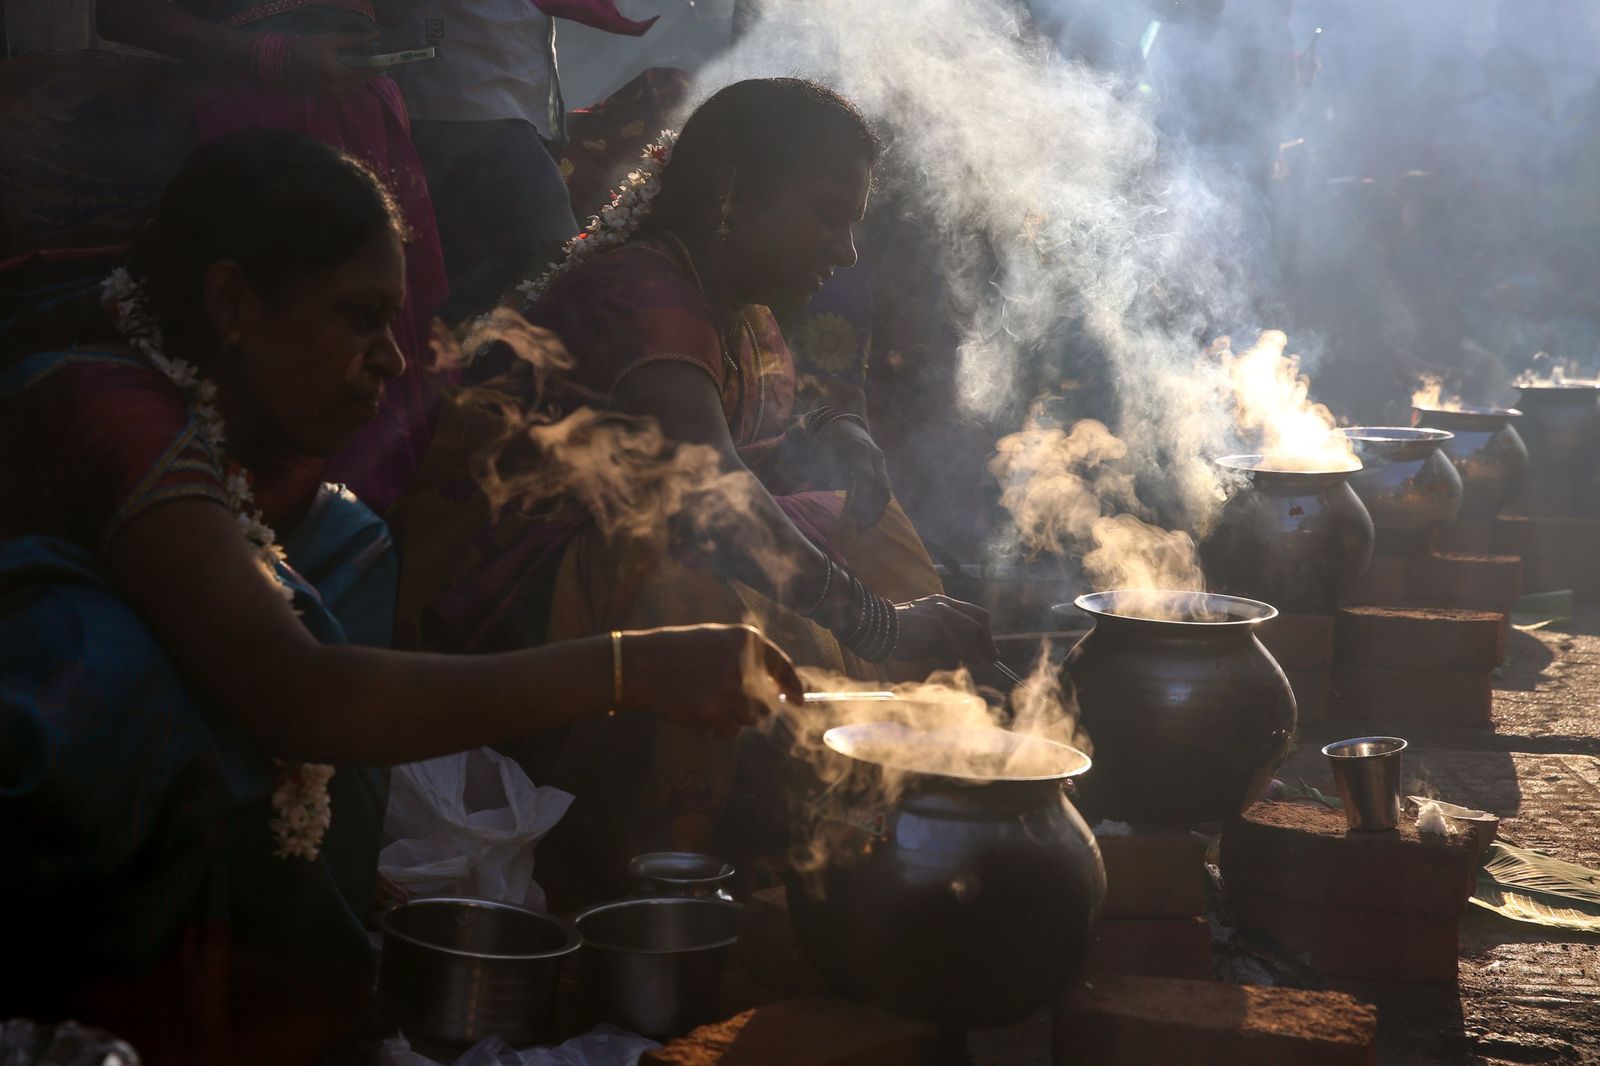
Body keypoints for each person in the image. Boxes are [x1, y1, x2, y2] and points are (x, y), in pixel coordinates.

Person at [0, 129, 800, 1063]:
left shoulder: (274, 461)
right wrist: (636, 666)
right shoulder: (102, 405)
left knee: (346, 548)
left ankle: (293, 972)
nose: (391, 358)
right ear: (230, 303)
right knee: (110, 652)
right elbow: (303, 698)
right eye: (360, 316)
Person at [388, 79, 996, 901]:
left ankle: (894, 799)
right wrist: (881, 628)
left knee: (859, 523)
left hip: (590, 594)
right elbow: (714, 497)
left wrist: (827, 436)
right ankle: (680, 865)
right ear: (731, 192)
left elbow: (744, 440)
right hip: (500, 622)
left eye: (855, 221)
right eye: (829, 213)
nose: (848, 251)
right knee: (693, 571)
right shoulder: (645, 295)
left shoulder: (728, 303)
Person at [94, 0, 453, 512]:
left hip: (365, 108)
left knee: (388, 333)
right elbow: (122, 13)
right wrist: (273, 55)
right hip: (265, 112)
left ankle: (368, 532)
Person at [386, 0, 582, 324]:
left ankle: (452, 350)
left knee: (478, 261)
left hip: (504, 92)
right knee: (552, 248)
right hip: (457, 96)